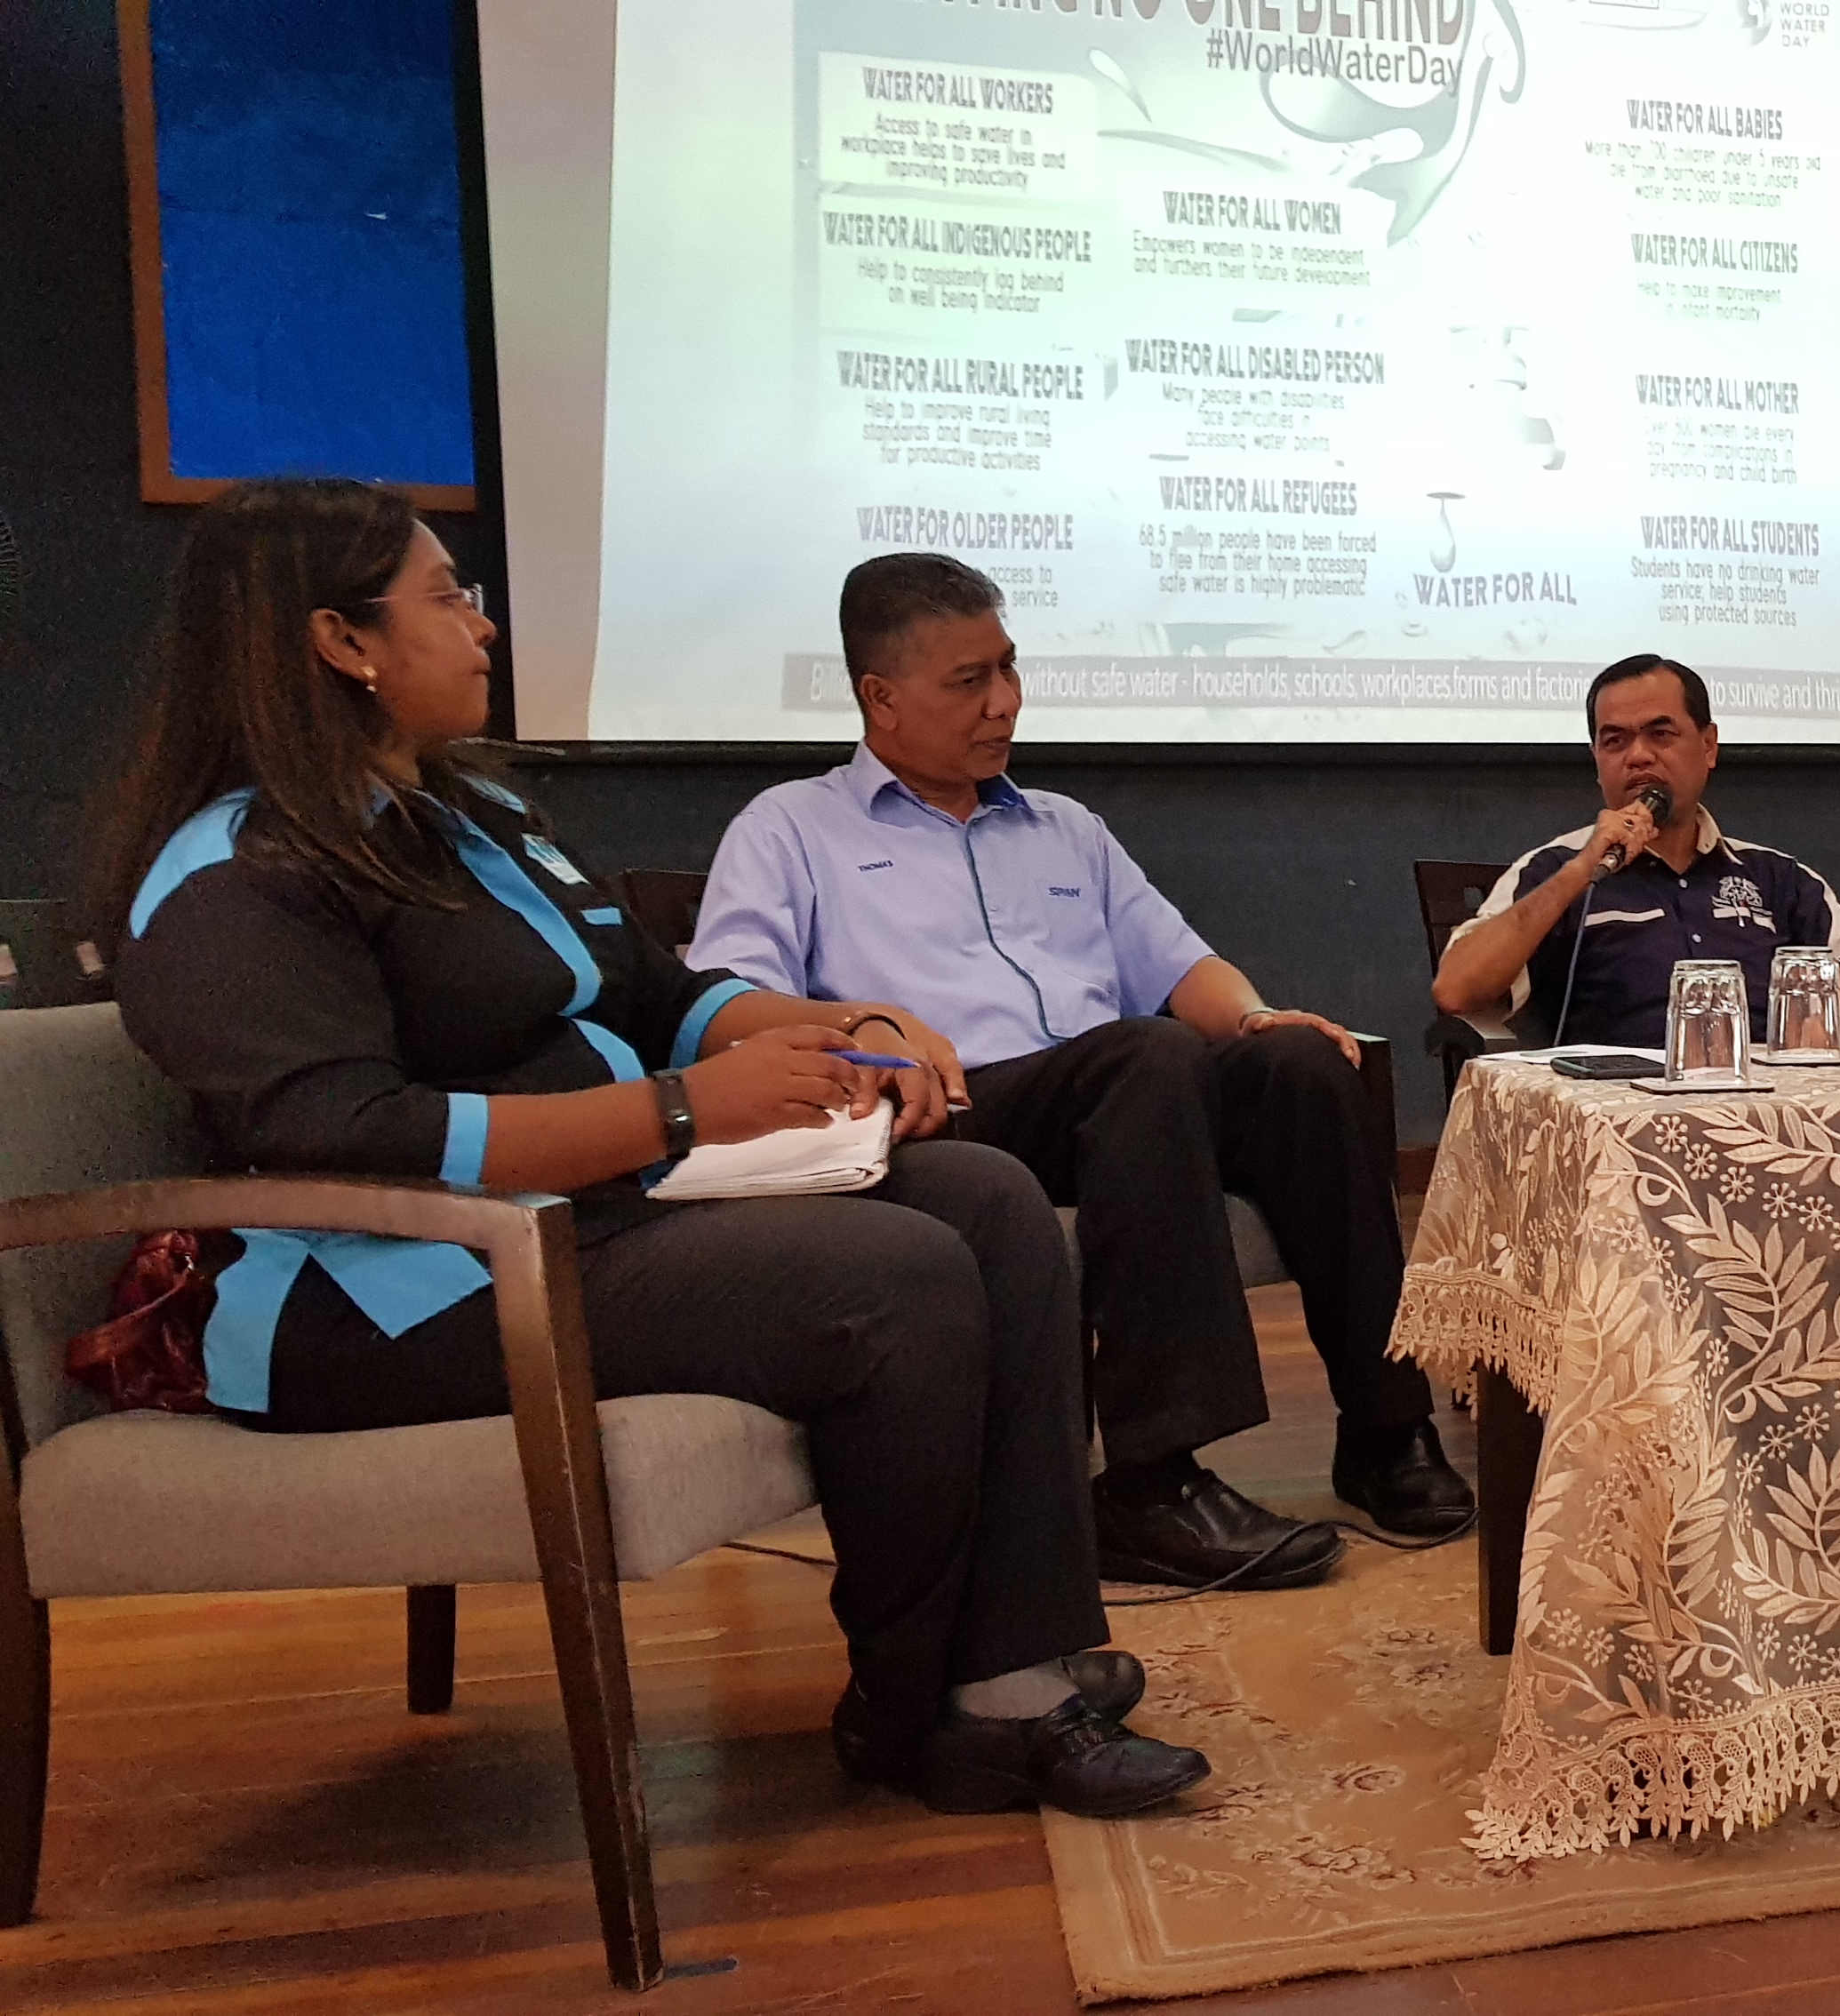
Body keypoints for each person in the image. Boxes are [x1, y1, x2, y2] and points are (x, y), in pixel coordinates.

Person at [102, 479, 1203, 1818]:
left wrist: (848, 1026)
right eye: (447, 597)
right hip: (397, 1290)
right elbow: (348, 1134)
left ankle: (1009, 1665)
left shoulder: (474, 821)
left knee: (987, 1196)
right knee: (894, 1276)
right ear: (342, 642)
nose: (483, 625)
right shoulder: (241, 870)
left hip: (599, 1209)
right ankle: (935, 1707)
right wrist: (679, 1113)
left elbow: (657, 993)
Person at [688, 554, 1473, 1590]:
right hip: (952, 1115)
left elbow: (1179, 965)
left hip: (1125, 1099)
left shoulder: (1064, 827)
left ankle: (1385, 1429)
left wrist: (1254, 1016)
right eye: (969, 681)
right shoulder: (791, 828)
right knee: (1145, 1057)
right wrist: (860, 1022)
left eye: (1009, 668)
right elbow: (721, 1005)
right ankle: (1150, 1482)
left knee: (1300, 1065)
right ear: (881, 697)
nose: (1005, 702)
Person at [1433, 653, 1840, 1046]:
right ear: (1596, 760)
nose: (1638, 756)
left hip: (1776, 1101)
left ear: (1708, 746)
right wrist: (1581, 870)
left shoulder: (1775, 876)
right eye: (1614, 741)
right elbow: (1456, 991)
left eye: (1660, 735)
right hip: (1621, 1108)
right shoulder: (1557, 869)